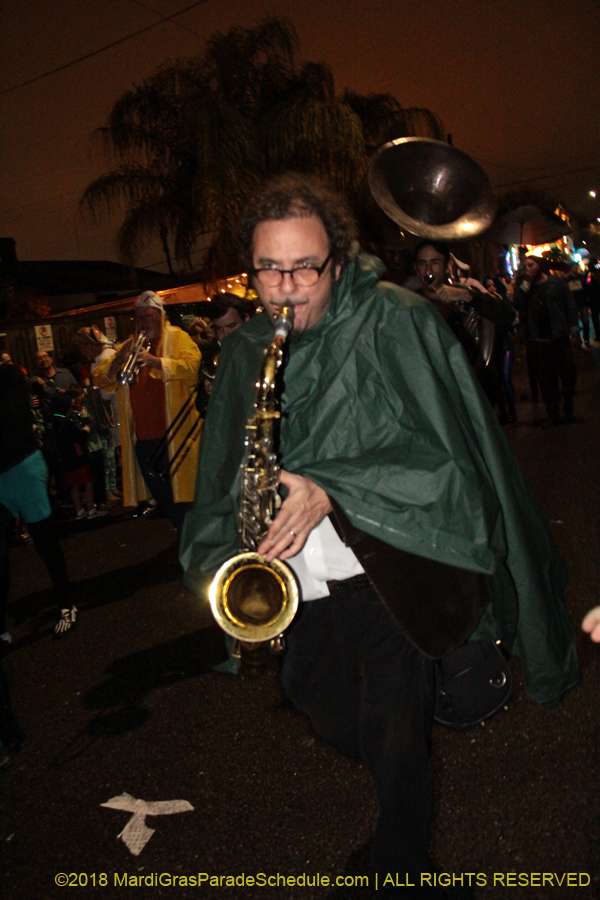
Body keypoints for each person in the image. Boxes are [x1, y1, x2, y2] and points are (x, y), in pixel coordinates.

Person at [181, 175, 578, 898]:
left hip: (391, 570)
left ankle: (401, 865)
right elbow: (220, 479)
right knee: (331, 714)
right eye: (269, 269)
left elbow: (450, 458)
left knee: (395, 742)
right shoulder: (243, 353)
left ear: (337, 262)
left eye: (304, 268)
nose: (285, 288)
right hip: (296, 581)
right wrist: (221, 550)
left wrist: (332, 486)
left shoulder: (398, 322)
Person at [94, 291, 201, 534]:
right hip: (143, 440)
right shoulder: (130, 344)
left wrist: (154, 361)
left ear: (161, 316)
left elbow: (192, 367)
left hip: (175, 436)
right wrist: (117, 361)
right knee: (164, 498)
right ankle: (187, 536)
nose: (142, 323)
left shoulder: (179, 338)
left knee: (185, 498)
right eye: (138, 318)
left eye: (148, 317)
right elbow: (102, 380)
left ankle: (192, 541)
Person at [0, 365, 75, 637]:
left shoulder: (9, 376)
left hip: (24, 470)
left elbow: (11, 416)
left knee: (46, 544)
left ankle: (66, 604)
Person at [512, 252, 579, 428]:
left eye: (531, 265)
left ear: (539, 266)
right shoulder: (526, 287)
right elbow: (518, 304)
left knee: (568, 373)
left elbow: (569, 305)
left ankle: (568, 401)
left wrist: (574, 330)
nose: (528, 269)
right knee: (546, 378)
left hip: (559, 336)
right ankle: (552, 412)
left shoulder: (556, 283)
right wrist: (526, 284)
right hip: (538, 339)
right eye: (525, 266)